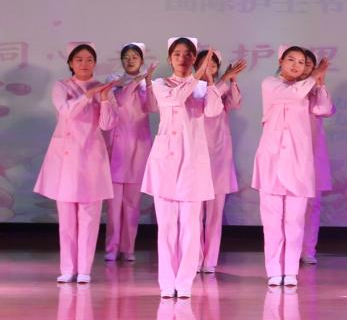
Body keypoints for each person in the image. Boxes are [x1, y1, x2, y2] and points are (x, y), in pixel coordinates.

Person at [142, 36, 223, 299]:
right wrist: (196, 78)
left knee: (190, 226)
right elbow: (175, 101)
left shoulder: (202, 86)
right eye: (177, 53)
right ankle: (167, 281)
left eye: (188, 54)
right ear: (169, 58)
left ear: (195, 58)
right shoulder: (160, 84)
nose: (183, 58)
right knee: (166, 226)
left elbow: (214, 111)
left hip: (193, 162)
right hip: (165, 161)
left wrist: (209, 80)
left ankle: (185, 281)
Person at [35, 43, 118, 283]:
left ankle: (84, 270)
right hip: (66, 158)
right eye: (79, 59)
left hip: (91, 156)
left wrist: (104, 99)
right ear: (70, 63)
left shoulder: (103, 88)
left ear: (95, 63)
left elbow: (108, 124)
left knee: (90, 216)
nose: (84, 63)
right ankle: (68, 268)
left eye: (89, 59)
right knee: (67, 218)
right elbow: (67, 112)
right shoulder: (62, 86)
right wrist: (88, 96)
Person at [252, 45, 332, 287]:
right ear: (281, 61)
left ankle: (290, 272)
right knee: (272, 222)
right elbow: (291, 95)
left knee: (295, 223)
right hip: (271, 162)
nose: (297, 65)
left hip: (299, 164)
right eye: (291, 60)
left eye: (302, 62)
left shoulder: (308, 89)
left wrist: (320, 84)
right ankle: (274, 271)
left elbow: (324, 109)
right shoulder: (270, 84)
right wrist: (313, 77)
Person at [104, 42, 156, 263]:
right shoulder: (114, 81)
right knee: (113, 206)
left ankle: (128, 248)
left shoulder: (146, 84)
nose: (130, 60)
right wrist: (135, 82)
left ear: (141, 60)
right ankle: (111, 248)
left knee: (132, 205)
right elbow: (121, 103)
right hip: (117, 149)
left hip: (138, 149)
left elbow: (153, 107)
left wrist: (149, 83)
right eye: (126, 56)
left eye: (135, 56)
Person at [197, 49, 247, 274]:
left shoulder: (223, 87)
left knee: (215, 213)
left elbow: (235, 103)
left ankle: (210, 260)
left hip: (219, 157)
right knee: (195, 214)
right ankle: (195, 258)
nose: (209, 68)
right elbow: (207, 106)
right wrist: (224, 80)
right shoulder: (192, 89)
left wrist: (232, 81)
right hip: (197, 156)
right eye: (205, 64)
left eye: (213, 65)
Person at [301, 48, 336, 267]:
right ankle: (290, 250)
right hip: (291, 157)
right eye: (300, 63)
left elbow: (325, 109)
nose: (304, 68)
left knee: (312, 205)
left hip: (313, 156)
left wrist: (321, 84)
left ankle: (308, 249)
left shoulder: (317, 90)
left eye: (308, 64)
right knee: (292, 207)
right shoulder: (285, 89)